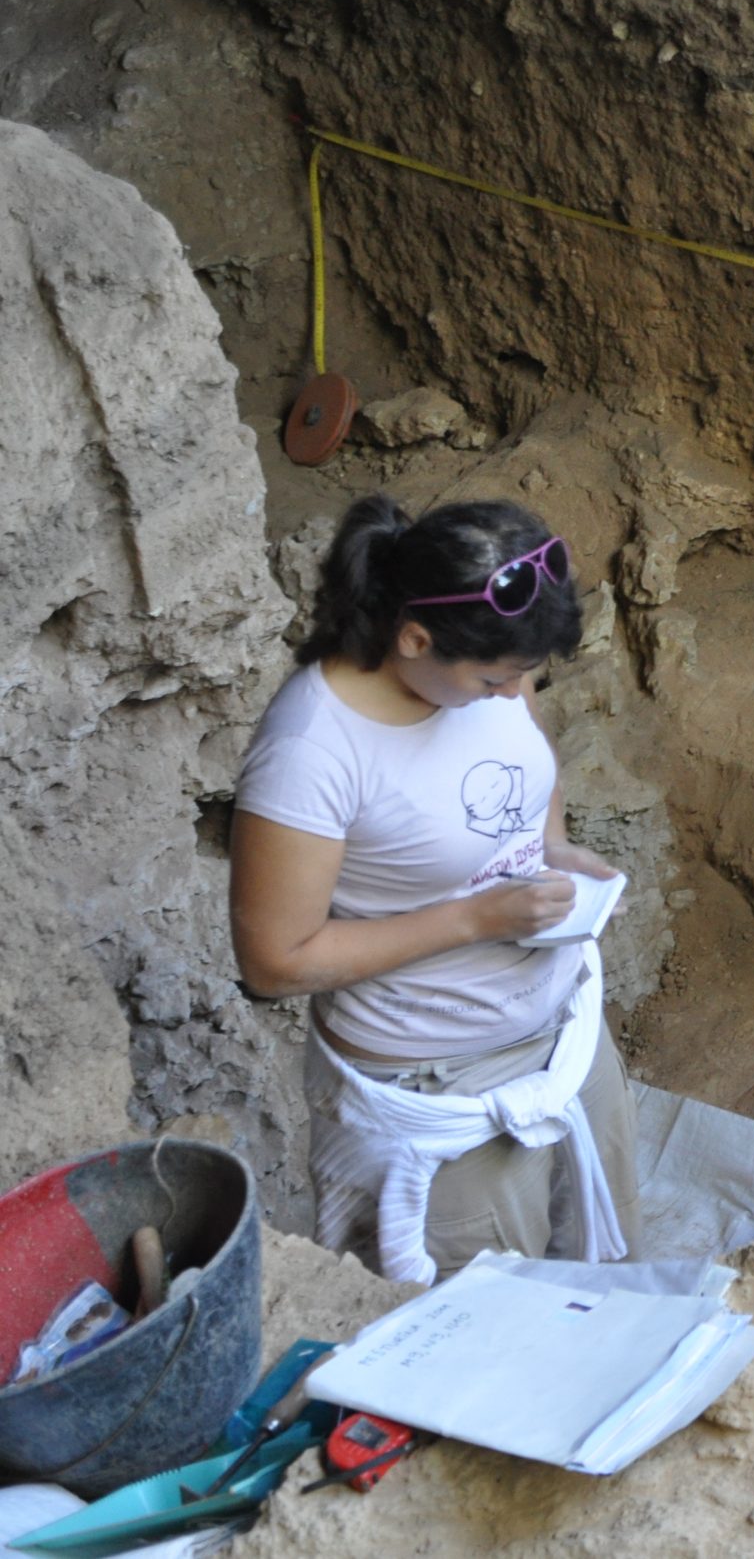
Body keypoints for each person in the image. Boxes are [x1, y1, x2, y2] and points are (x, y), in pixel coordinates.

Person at [229, 495, 637, 1284]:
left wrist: (549, 843)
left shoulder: (491, 664)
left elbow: (524, 750)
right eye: (494, 678)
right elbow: (276, 961)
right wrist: (475, 919)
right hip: (438, 1079)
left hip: (562, 1031)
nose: (510, 692)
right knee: (484, 1320)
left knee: (600, 1284)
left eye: (521, 675)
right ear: (414, 638)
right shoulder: (312, 752)